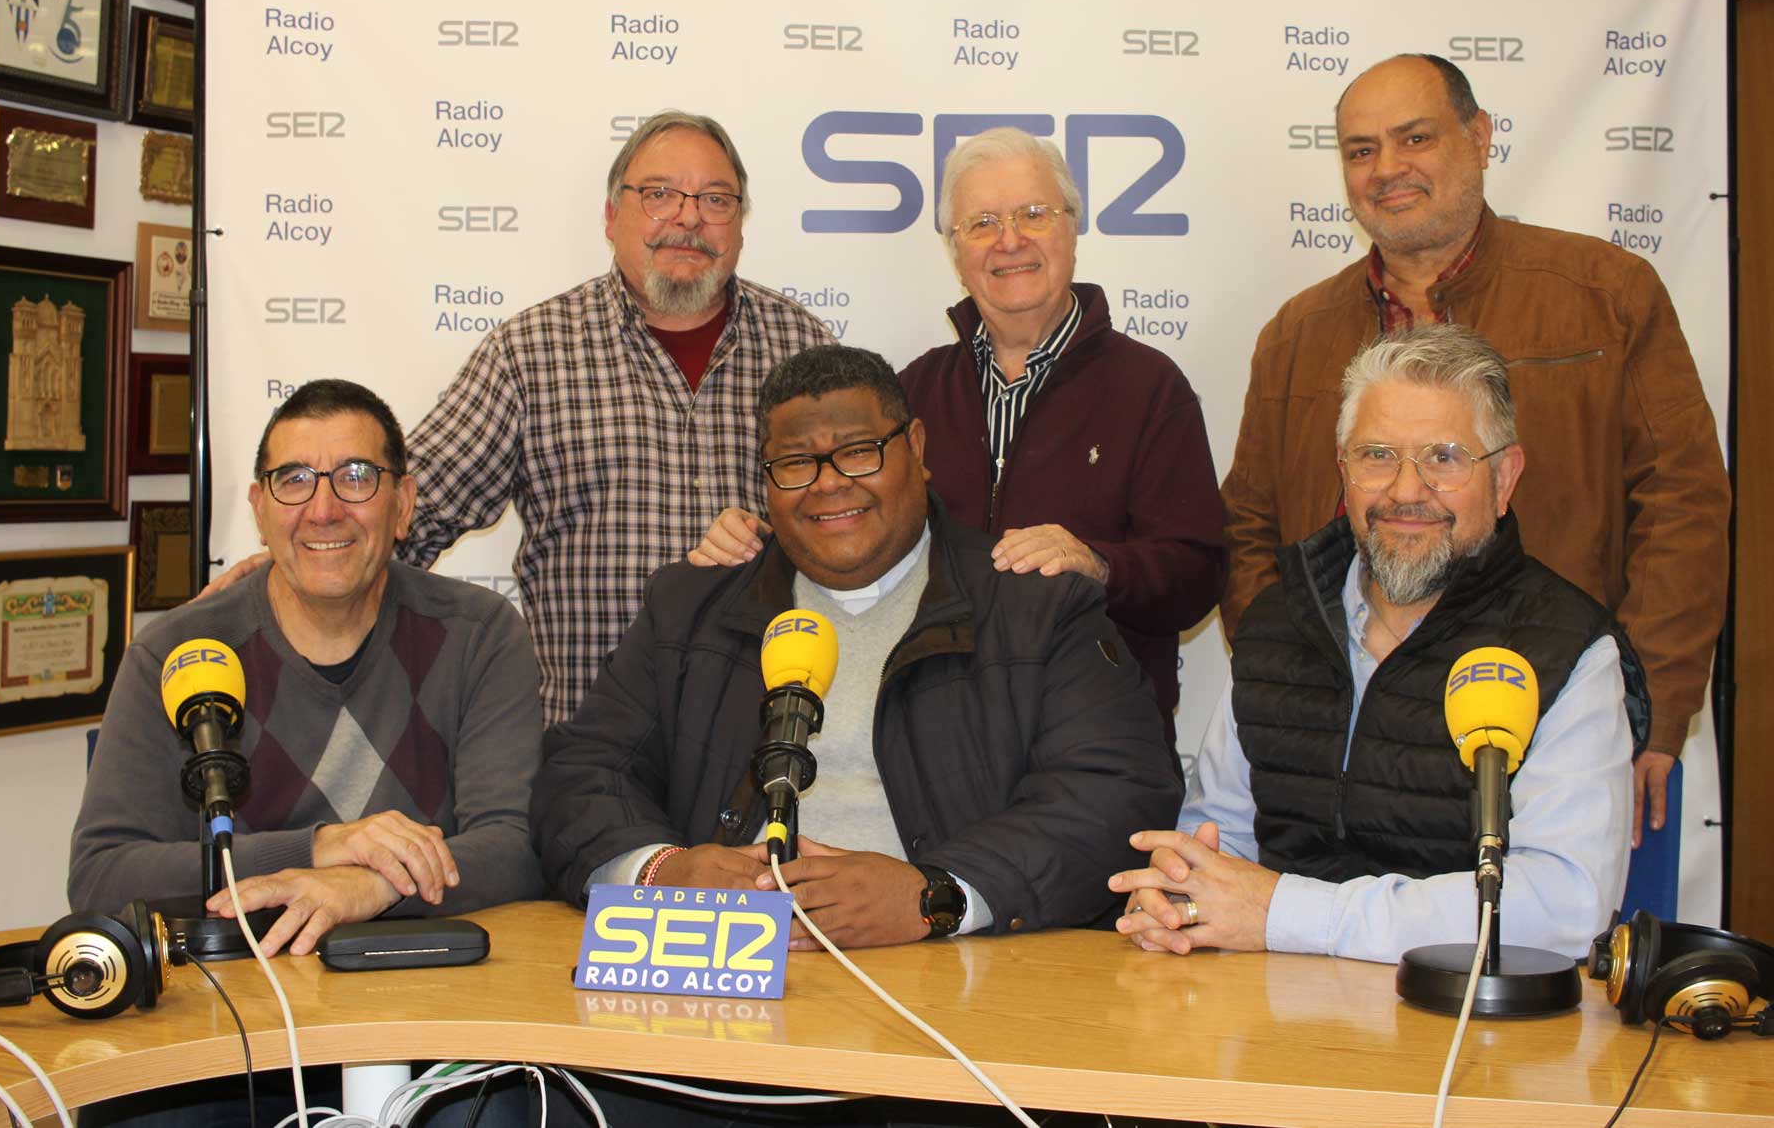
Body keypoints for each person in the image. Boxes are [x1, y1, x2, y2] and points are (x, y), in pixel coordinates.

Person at [1219, 53, 1728, 845]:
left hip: (1557, 734)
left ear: (1481, 136)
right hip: (1342, 757)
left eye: (1414, 137)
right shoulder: (1295, 336)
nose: (1387, 169)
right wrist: (1292, 692)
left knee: (1548, 950)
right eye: (1360, 150)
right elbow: (1247, 524)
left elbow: (1684, 503)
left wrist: (1646, 705)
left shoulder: (1608, 295)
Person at [206, 111, 836, 727]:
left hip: (767, 731)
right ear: (613, 216)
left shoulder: (805, 349)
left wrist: (776, 545)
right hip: (589, 747)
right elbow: (405, 509)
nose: (689, 217)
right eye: (660, 193)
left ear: (741, 226)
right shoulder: (531, 352)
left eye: (716, 199)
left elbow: (854, 527)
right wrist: (287, 570)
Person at [534, 344, 1178, 940]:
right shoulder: (691, 605)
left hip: (950, 983)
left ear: (917, 449)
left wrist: (937, 895)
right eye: (794, 463)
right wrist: (659, 871)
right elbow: (583, 774)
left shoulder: (1034, 603)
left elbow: (1115, 791)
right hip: (723, 970)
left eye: (859, 450)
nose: (828, 482)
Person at [68, 379, 549, 1125]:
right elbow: (101, 875)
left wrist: (373, 886)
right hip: (230, 1039)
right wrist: (318, 850)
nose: (324, 508)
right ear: (259, 509)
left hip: (436, 1025)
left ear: (404, 503)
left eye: (357, 476)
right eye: (293, 479)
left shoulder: (479, 634)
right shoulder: (176, 653)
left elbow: (516, 848)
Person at [1114, 326, 1644, 963]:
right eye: (1377, 455)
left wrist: (1289, 914)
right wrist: (1179, 900)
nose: (1406, 490)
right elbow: (1218, 835)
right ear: (1343, 471)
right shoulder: (1279, 619)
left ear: (1504, 479)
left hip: (1466, 1032)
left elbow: (1563, 905)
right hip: (1268, 1023)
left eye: (1444, 457)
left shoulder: (1569, 648)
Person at [689, 128, 1226, 735]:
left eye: (1033, 213)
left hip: (1095, 732)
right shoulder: (910, 392)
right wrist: (760, 541)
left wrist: (1099, 565)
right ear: (955, 250)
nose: (1010, 240)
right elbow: (844, 528)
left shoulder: (1150, 388)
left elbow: (1198, 576)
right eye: (982, 223)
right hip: (935, 741)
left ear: (1073, 227)